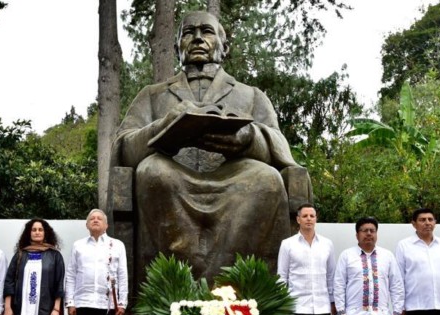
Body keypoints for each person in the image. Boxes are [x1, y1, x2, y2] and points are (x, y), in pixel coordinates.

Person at [113, 11, 309, 283]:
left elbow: (280, 146)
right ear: (176, 47)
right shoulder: (151, 95)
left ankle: (240, 291)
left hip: (234, 178)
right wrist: (164, 128)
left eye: (206, 31)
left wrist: (249, 138)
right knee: (152, 172)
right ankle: (169, 290)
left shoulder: (250, 94)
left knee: (267, 179)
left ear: (224, 46)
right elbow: (123, 147)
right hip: (174, 178)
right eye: (187, 33)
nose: (196, 39)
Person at [65, 209, 128, 315]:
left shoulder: (117, 245)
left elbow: (122, 276)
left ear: (106, 225)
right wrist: (70, 302)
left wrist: (122, 304)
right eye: (91, 218)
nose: (95, 220)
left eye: (99, 218)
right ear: (86, 225)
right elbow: (71, 274)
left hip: (107, 305)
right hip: (83, 304)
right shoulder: (78, 245)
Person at [277, 204, 336, 315]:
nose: (309, 219)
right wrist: (283, 304)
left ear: (316, 218)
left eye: (312, 215)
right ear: (298, 219)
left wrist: (333, 302)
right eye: (305, 216)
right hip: (297, 308)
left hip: (321, 308)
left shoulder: (327, 244)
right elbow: (282, 276)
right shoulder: (288, 245)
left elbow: (331, 275)